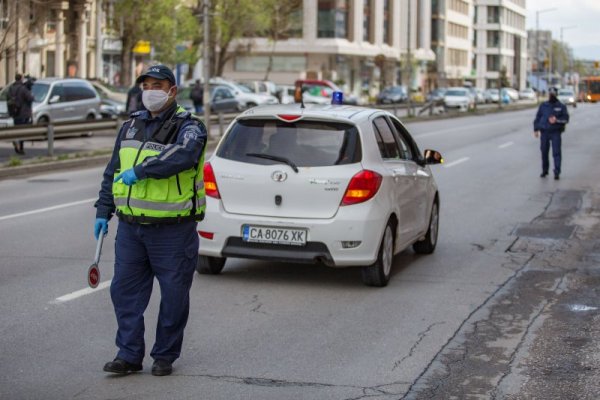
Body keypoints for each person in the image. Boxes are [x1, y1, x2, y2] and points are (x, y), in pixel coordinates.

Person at [94, 64, 207, 376]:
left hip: (173, 231)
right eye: (145, 86)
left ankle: (164, 356)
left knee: (173, 297)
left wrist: (141, 171)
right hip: (131, 229)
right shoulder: (130, 126)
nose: (150, 91)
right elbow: (113, 170)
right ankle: (128, 355)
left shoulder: (190, 126)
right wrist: (104, 210)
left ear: (172, 89)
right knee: (124, 293)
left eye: (157, 85)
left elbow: (183, 155)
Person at [533, 86, 569, 180]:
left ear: (556, 95)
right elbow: (538, 118)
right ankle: (545, 170)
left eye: (553, 94)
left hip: (555, 132)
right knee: (544, 152)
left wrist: (556, 120)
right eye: (550, 94)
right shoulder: (544, 105)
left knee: (556, 152)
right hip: (544, 132)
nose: (551, 95)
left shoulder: (561, 106)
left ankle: (557, 171)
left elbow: (565, 119)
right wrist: (536, 129)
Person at [8, 73, 34, 154]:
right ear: (21, 79)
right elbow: (30, 98)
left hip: (14, 112)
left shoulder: (11, 88)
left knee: (17, 129)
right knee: (22, 131)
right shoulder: (23, 88)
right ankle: (21, 148)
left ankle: (16, 141)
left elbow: (8, 99)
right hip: (23, 112)